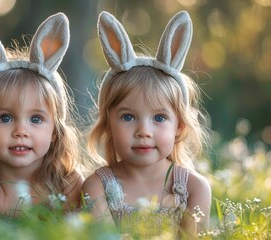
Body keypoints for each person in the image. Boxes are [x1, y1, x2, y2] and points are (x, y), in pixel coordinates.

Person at [82, 11, 212, 237]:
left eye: (159, 118)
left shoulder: (194, 189)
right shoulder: (97, 187)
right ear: (108, 126)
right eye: (128, 117)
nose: (144, 131)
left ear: (179, 127)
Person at [0, 13, 83, 217]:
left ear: (55, 131)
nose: (21, 131)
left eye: (36, 119)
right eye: (5, 118)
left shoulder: (68, 183)